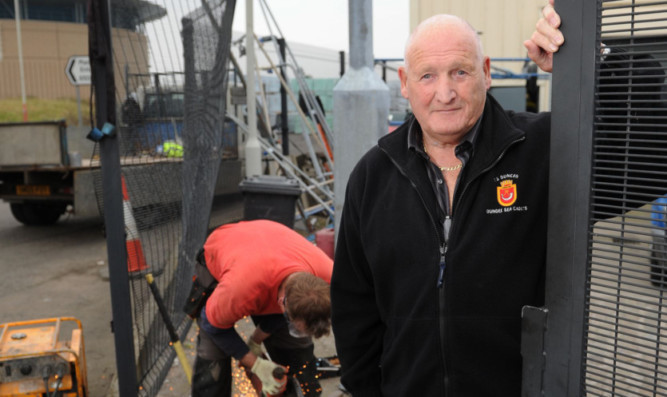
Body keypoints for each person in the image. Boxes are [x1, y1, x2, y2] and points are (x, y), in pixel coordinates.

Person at [330, 3, 565, 396]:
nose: (445, 93)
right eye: (427, 76)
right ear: (404, 83)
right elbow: (354, 309)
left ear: (486, 73)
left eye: (460, 71)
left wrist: (593, 66)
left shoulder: (543, 151)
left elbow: (651, 145)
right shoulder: (373, 176)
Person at [187, 219, 333, 397]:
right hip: (226, 248)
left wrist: (255, 341)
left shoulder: (328, 276)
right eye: (293, 323)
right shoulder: (240, 288)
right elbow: (213, 325)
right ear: (281, 302)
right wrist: (255, 364)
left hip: (269, 245)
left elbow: (279, 316)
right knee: (213, 364)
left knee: (299, 356)